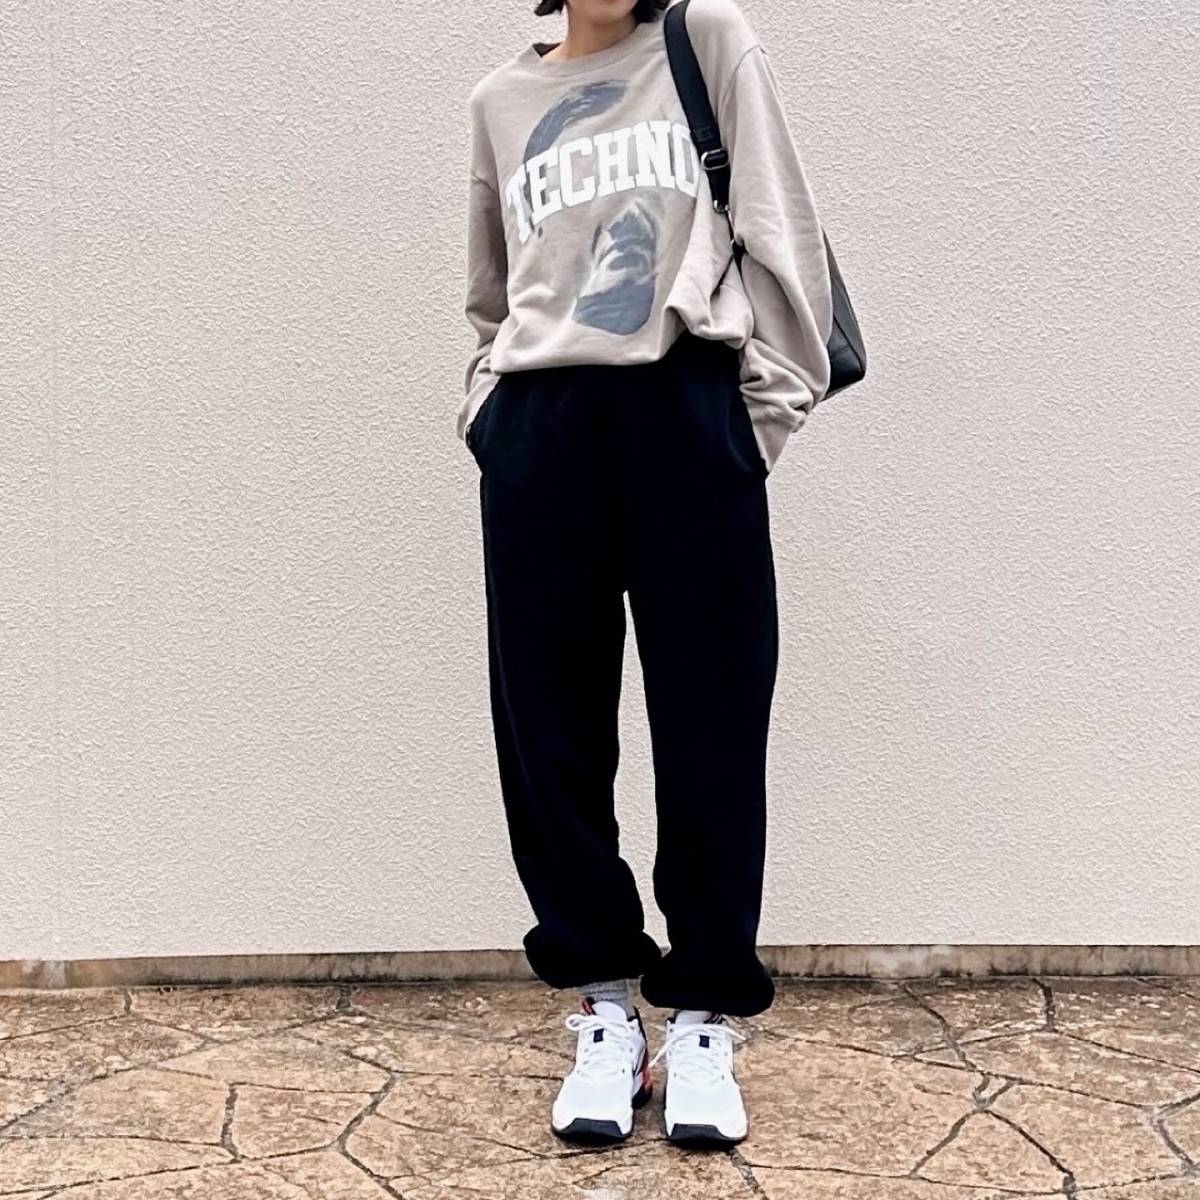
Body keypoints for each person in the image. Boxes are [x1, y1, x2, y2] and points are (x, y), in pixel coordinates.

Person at [458, 0, 833, 1147]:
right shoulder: (501, 102)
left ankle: (705, 1016)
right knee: (549, 734)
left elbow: (781, 232)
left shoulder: (707, 41)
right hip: (541, 427)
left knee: (712, 726)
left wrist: (749, 424)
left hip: (685, 410)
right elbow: (491, 293)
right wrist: (491, 417)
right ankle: (605, 1008)